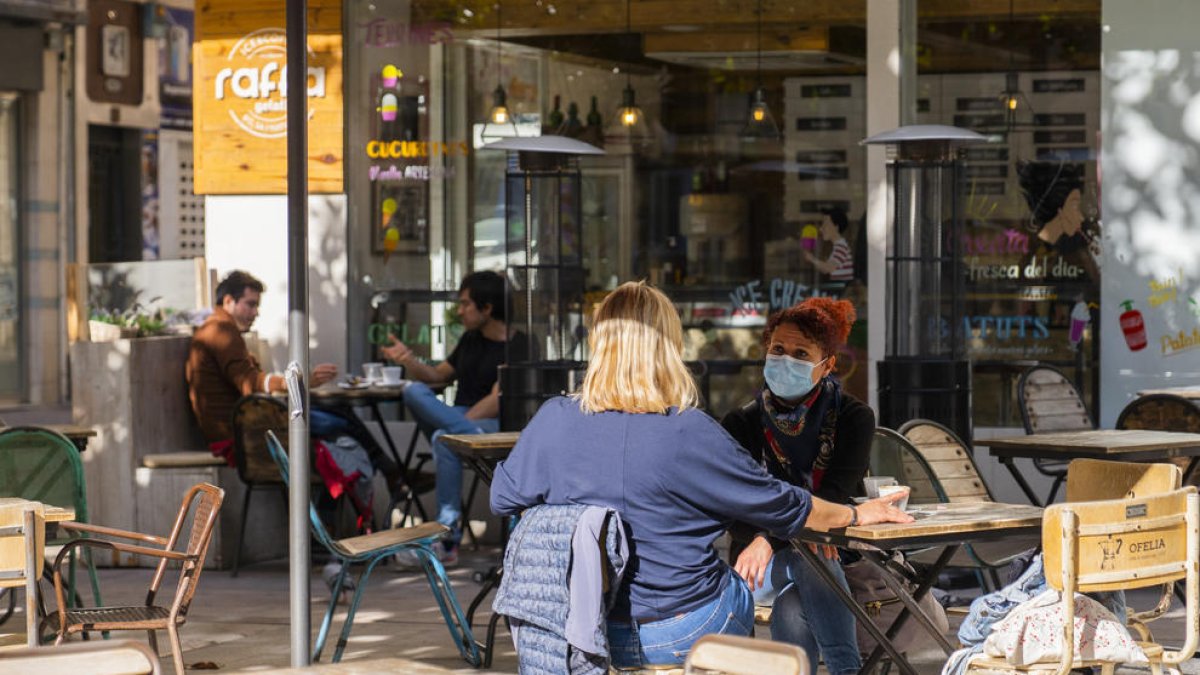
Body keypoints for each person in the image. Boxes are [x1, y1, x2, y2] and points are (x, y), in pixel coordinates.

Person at [489, 282, 911, 668]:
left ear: (598, 343)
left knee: (790, 595)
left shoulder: (554, 419)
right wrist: (855, 515)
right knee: (755, 586)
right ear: (670, 347)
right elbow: (781, 505)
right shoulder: (689, 431)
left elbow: (502, 498)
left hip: (575, 625)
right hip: (680, 629)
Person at [720, 297, 872, 675]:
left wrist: (769, 537)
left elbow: (832, 498)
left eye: (801, 353)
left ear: (827, 366)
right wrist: (774, 539)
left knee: (793, 601)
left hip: (839, 557)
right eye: (778, 349)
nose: (786, 360)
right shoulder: (742, 423)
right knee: (811, 550)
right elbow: (730, 509)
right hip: (753, 570)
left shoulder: (853, 419)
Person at [186, 270, 404, 498]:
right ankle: (390, 472)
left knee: (338, 419)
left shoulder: (218, 328)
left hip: (249, 429)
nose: (255, 313)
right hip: (243, 439)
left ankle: (389, 473)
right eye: (250, 305)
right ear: (229, 301)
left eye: (256, 306)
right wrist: (300, 381)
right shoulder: (220, 331)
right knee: (339, 422)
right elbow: (251, 383)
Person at [381, 270, 525, 565]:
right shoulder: (470, 340)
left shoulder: (519, 344)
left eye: (465, 304)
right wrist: (408, 360)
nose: (459, 311)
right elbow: (438, 376)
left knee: (442, 439)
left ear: (487, 308)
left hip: (494, 425)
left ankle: (447, 542)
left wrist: (456, 427)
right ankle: (462, 436)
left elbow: (498, 399)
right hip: (467, 423)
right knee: (414, 390)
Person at [805, 208, 854, 282]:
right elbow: (825, 269)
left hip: (842, 289)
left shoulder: (841, 248)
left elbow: (828, 268)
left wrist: (812, 259)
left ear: (836, 227)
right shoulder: (839, 246)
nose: (821, 229)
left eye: (825, 225)